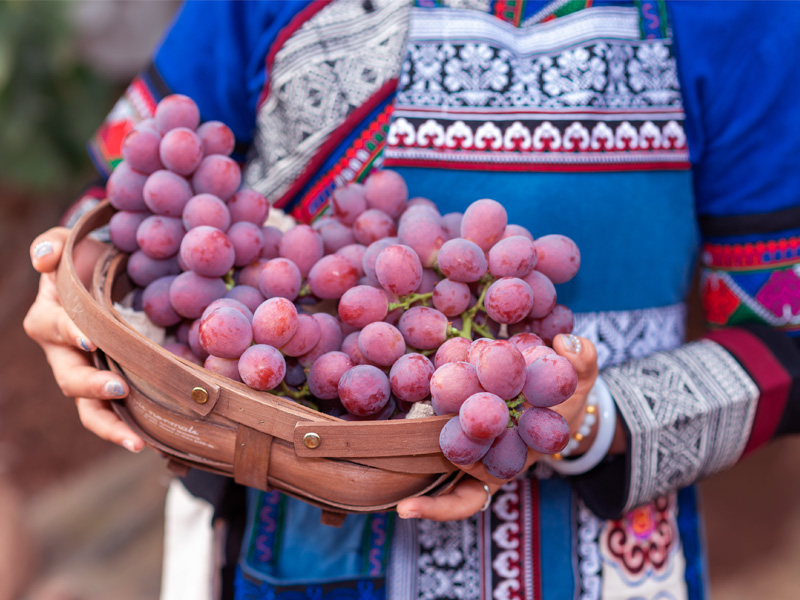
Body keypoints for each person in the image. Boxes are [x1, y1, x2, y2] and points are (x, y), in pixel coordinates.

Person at [24, 1, 800, 598]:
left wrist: (589, 422)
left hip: (601, 570)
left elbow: (785, 341)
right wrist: (73, 296)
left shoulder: (736, 17)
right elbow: (131, 198)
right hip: (275, 552)